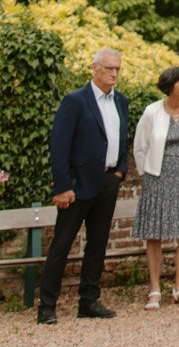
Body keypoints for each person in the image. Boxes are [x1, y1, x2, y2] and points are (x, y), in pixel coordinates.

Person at [36, 48, 129, 323]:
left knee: (97, 245)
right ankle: (47, 306)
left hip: (107, 182)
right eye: (109, 68)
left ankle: (88, 301)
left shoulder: (121, 101)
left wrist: (120, 171)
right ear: (94, 68)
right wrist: (63, 186)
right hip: (76, 186)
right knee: (62, 245)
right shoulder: (75, 100)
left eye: (117, 69)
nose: (114, 73)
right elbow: (59, 145)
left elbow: (121, 138)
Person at [132, 65, 179, 308]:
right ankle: (154, 289)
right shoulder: (151, 112)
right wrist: (148, 174)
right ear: (170, 85)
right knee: (155, 233)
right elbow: (140, 147)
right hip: (157, 178)